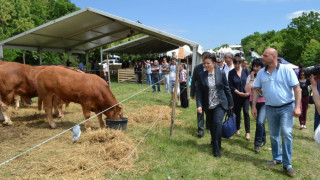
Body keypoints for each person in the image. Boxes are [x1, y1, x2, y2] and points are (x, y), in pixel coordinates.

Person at [252, 48, 301, 177]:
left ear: (273, 57)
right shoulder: (262, 72)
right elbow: (256, 90)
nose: (262, 57)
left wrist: (297, 107)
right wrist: (254, 107)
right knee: (273, 135)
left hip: (287, 107)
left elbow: (297, 88)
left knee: (286, 133)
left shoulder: (286, 70)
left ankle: (287, 164)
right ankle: (277, 158)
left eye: (265, 55)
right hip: (270, 108)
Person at [196, 54, 233, 157]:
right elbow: (199, 92)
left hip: (220, 103)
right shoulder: (201, 76)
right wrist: (199, 105)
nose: (206, 65)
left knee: (217, 123)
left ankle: (216, 149)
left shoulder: (221, 73)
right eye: (204, 63)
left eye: (208, 63)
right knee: (212, 126)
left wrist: (231, 103)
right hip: (208, 105)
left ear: (214, 63)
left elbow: (226, 88)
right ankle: (214, 140)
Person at [245, 58, 266, 153]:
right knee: (259, 121)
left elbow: (266, 91)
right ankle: (263, 138)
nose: (255, 68)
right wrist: (253, 79)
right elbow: (246, 89)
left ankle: (257, 144)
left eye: (257, 66)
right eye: (254, 66)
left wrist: (259, 89)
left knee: (260, 122)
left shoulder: (266, 76)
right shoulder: (250, 76)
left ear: (262, 67)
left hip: (264, 102)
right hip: (253, 101)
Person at [228, 57, 250, 140]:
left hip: (246, 95)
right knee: (237, 113)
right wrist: (238, 92)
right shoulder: (231, 73)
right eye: (235, 64)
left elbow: (250, 81)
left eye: (238, 63)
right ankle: (237, 128)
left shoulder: (246, 71)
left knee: (246, 112)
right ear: (233, 63)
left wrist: (248, 92)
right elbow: (230, 85)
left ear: (241, 63)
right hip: (236, 95)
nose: (237, 65)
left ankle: (247, 132)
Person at [191, 51, 211, 137]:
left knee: (209, 111)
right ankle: (200, 130)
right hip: (199, 93)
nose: (204, 59)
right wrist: (192, 93)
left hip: (210, 93)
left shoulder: (212, 67)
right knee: (200, 111)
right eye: (203, 57)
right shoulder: (197, 68)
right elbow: (193, 81)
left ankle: (209, 127)